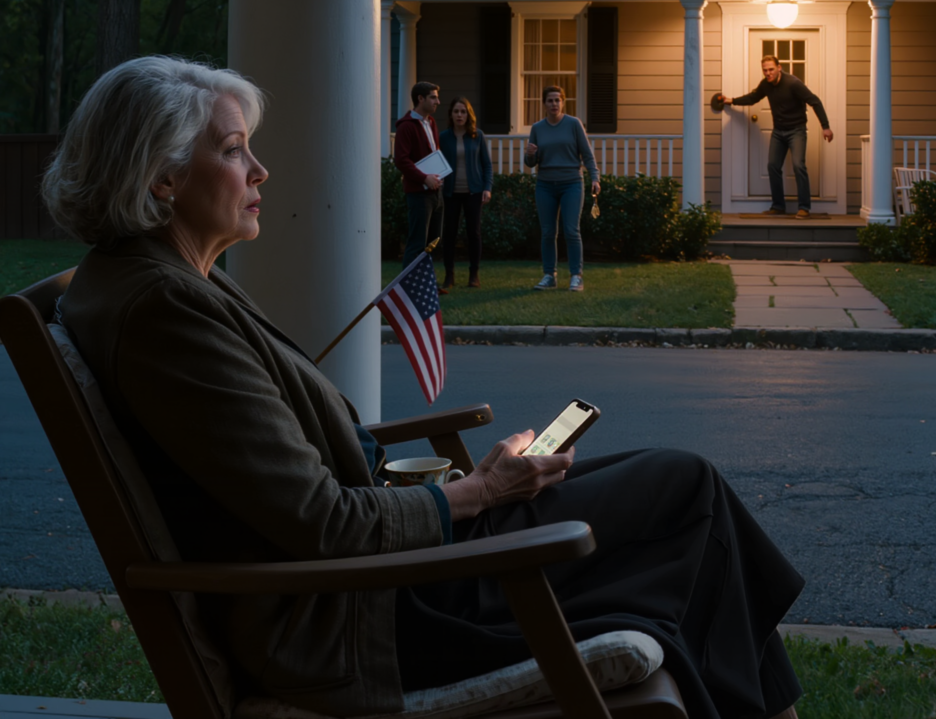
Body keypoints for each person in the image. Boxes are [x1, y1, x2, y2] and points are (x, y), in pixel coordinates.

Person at [43, 56, 805, 719]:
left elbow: (293, 483)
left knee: (682, 500)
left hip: (383, 574)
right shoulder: (163, 312)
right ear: (162, 178)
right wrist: (481, 492)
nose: (261, 172)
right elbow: (322, 523)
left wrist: (477, 484)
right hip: (376, 615)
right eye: (237, 151)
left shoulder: (162, 283)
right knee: (687, 494)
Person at [723, 55, 834, 218]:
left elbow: (814, 101)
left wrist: (825, 127)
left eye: (771, 69)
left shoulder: (793, 83)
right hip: (778, 131)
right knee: (773, 166)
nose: (768, 73)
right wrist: (731, 100)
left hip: (797, 130)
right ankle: (778, 206)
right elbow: (752, 98)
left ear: (779, 68)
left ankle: (804, 207)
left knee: (798, 166)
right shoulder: (765, 85)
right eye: (765, 70)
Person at [524, 85, 600, 292]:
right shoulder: (537, 128)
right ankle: (550, 275)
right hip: (545, 185)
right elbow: (530, 162)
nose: (554, 104)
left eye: (557, 100)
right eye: (550, 100)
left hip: (571, 184)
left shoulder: (573, 124)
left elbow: (587, 154)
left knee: (571, 230)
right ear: (544, 104)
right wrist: (530, 154)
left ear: (563, 102)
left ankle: (576, 276)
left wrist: (595, 178)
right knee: (548, 232)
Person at [393, 81, 446, 280]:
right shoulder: (406, 127)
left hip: (436, 191)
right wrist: (424, 177)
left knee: (433, 241)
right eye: (433, 97)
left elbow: (433, 153)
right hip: (418, 193)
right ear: (420, 99)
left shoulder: (431, 122)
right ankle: (409, 287)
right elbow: (401, 160)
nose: (438, 102)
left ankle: (425, 285)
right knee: (417, 243)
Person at [439, 96, 493, 289]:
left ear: (468, 114)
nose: (459, 115)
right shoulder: (443, 137)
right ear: (451, 115)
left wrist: (488, 188)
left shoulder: (477, 136)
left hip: (474, 191)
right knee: (450, 233)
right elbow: (437, 163)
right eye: (456, 112)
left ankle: (474, 275)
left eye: (463, 112)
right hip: (450, 193)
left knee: (474, 233)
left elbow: (487, 165)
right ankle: (449, 276)